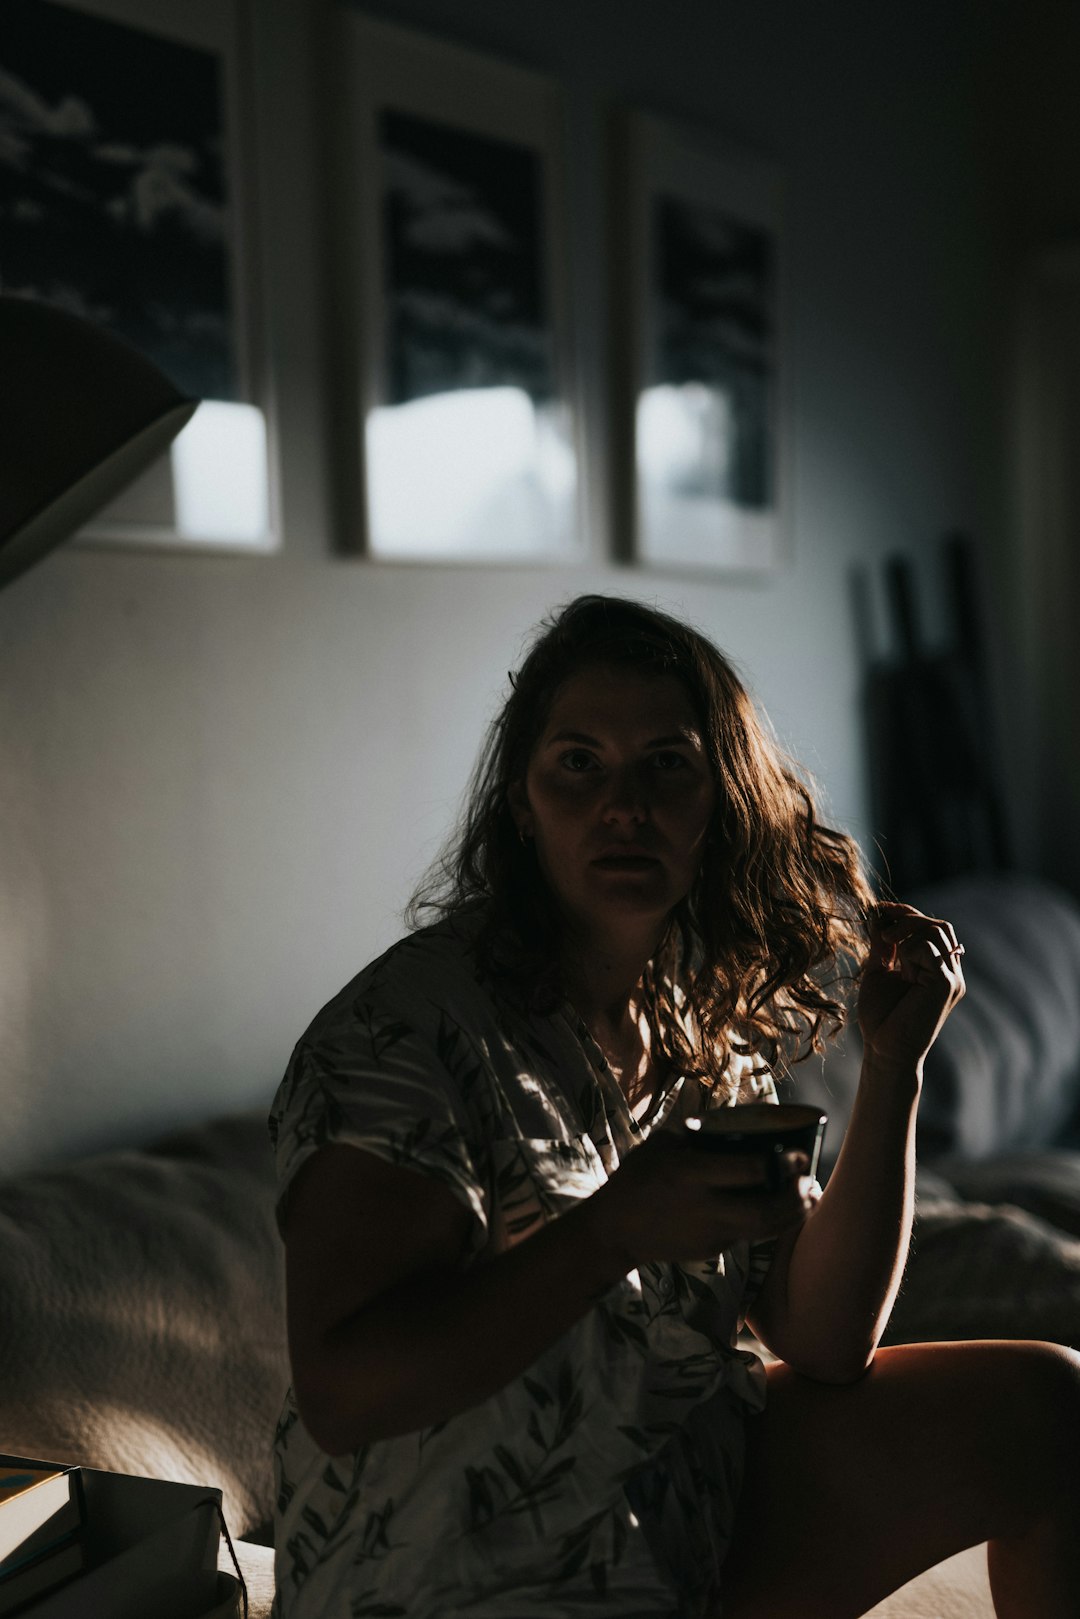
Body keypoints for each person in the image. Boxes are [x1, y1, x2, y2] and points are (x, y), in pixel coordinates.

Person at [269, 594, 1080, 1619]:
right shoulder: (404, 1035)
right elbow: (344, 1390)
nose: (624, 804)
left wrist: (893, 1064)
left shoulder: (703, 1014)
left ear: (721, 799)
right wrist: (617, 1228)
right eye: (579, 763)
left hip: (677, 1495)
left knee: (1051, 1402)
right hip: (455, 1570)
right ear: (523, 799)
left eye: (667, 763)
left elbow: (824, 1338)